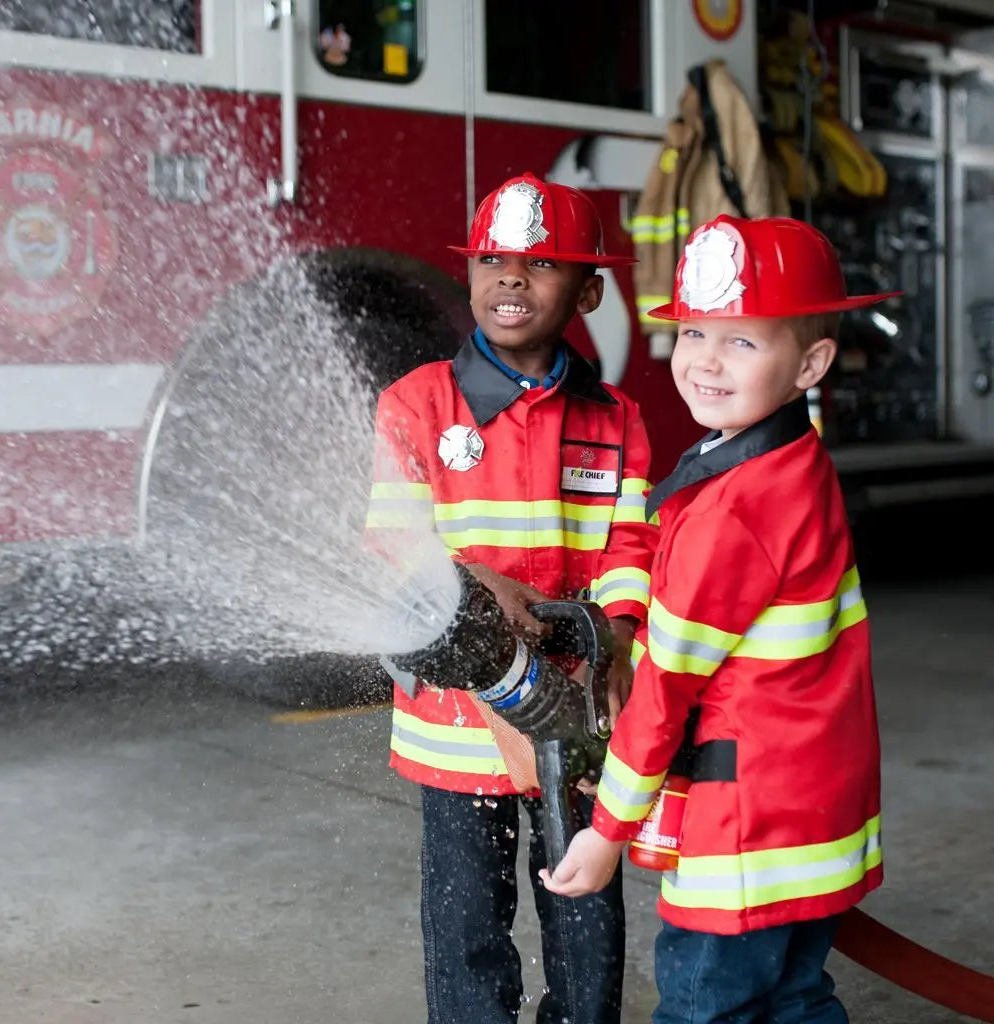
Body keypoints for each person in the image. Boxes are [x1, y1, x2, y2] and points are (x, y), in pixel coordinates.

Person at [540, 214, 892, 1024]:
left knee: (707, 1008)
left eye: (741, 342)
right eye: (695, 330)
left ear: (811, 363)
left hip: (747, 832)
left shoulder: (736, 509)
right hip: (814, 813)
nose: (704, 359)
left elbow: (667, 685)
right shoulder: (792, 463)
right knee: (796, 998)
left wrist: (607, 831)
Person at [366, 171, 656, 1024]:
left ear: (591, 289)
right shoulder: (414, 406)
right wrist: (467, 582)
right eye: (492, 259)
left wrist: (619, 644)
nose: (511, 279)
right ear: (470, 275)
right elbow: (387, 544)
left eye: (541, 263)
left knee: (585, 910)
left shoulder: (616, 418)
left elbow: (630, 548)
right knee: (466, 930)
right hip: (456, 731)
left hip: (573, 719)